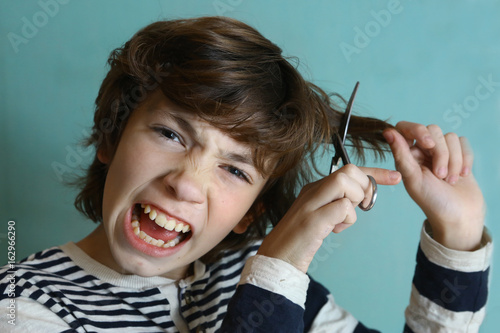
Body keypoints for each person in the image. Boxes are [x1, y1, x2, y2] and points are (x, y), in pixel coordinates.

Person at [0, 16, 492, 332]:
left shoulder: (243, 278)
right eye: (171, 134)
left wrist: (459, 234)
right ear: (111, 138)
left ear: (251, 212)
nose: (187, 183)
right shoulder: (22, 307)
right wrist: (278, 271)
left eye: (235, 169)